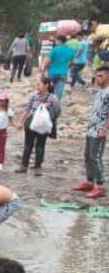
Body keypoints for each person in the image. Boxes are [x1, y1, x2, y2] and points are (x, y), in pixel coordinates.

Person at [72, 65, 109, 199]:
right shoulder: (100, 92)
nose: (97, 79)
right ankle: (89, 181)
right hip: (91, 128)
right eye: (96, 76)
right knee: (88, 155)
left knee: (96, 157)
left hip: (99, 129)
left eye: (101, 76)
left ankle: (99, 186)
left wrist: (104, 129)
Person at [14, 78, 61, 176]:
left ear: (46, 85)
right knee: (28, 145)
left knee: (40, 145)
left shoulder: (53, 98)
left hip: (42, 124)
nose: (37, 86)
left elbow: (57, 111)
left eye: (39, 84)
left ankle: (37, 166)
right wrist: (21, 122)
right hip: (31, 123)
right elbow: (27, 110)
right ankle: (24, 165)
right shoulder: (34, 96)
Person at [44, 35, 75, 99]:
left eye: (56, 40)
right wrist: (66, 67)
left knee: (50, 90)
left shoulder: (54, 49)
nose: (55, 42)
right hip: (63, 72)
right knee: (59, 92)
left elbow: (48, 61)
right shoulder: (71, 50)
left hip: (52, 72)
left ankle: (49, 104)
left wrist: (44, 69)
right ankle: (56, 104)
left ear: (59, 41)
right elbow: (72, 62)